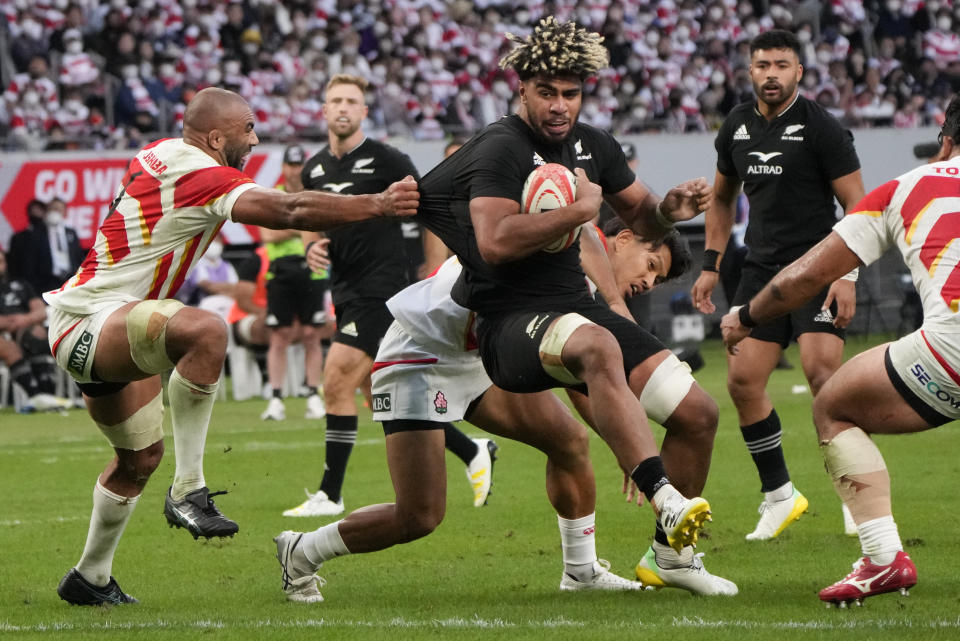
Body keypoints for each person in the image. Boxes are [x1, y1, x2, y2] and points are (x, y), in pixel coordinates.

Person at [42, 86, 419, 606]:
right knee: (207, 330)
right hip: (88, 321)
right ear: (216, 136)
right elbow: (288, 210)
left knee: (137, 461)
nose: (256, 137)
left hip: (108, 325)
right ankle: (189, 488)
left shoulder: (161, 153)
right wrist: (375, 204)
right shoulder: (200, 171)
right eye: (248, 128)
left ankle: (90, 578)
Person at [276, 222, 736, 602]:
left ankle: (580, 571)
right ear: (623, 237)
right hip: (419, 356)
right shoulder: (561, 246)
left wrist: (631, 451)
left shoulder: (582, 279)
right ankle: (302, 550)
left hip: (481, 355)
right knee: (419, 516)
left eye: (657, 281)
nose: (647, 284)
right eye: (651, 266)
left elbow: (575, 373)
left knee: (569, 442)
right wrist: (633, 454)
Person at [418, 17, 721, 581]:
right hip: (509, 322)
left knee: (699, 414)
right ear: (522, 89)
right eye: (547, 92)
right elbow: (494, 240)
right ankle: (663, 494)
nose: (560, 105)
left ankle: (671, 558)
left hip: (577, 314)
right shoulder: (500, 147)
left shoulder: (594, 145)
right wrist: (581, 211)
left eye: (571, 93)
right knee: (596, 352)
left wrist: (670, 211)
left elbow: (640, 215)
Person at [720, 94, 960, 607]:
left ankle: (882, 558)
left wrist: (745, 315)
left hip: (950, 352)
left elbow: (804, 277)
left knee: (834, 404)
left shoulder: (908, 186)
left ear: (946, 142)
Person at [284, 75, 494, 516]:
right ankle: (472, 449)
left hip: (382, 290)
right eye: (335, 100)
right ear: (323, 111)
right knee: (376, 391)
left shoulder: (388, 159)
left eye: (352, 101)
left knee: (336, 379)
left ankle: (330, 493)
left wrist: (436, 270)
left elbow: (429, 209)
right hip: (344, 289)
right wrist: (311, 245)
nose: (343, 107)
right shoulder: (315, 168)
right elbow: (308, 217)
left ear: (363, 112)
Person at [690, 29, 866, 541]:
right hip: (761, 273)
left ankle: (857, 494)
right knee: (742, 382)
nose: (772, 73)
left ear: (799, 73)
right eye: (763, 64)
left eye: (782, 65)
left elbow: (857, 206)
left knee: (822, 375)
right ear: (749, 71)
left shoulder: (822, 128)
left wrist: (848, 274)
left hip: (817, 268)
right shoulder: (737, 128)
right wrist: (709, 264)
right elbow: (722, 199)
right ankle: (779, 497)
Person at [259, 144, 330, 422]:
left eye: (299, 165)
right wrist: (303, 226)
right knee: (279, 335)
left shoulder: (316, 193)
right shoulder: (273, 195)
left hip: (313, 268)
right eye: (291, 164)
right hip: (282, 270)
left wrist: (286, 225)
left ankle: (313, 394)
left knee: (313, 334)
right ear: (284, 167)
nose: (295, 170)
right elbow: (267, 235)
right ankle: (276, 398)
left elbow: (323, 227)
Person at [0, 248, 70, 412]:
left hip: (24, 330)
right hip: (4, 336)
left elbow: (40, 311)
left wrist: (24, 320)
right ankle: (35, 394)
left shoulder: (20, 285)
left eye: (1, 261)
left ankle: (47, 394)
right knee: (7, 346)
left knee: (37, 333)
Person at [7, 197, 85, 296]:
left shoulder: (71, 233)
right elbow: (30, 262)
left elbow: (77, 257)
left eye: (58, 209)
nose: (54, 212)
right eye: (52, 209)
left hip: (69, 284)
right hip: (45, 285)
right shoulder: (35, 234)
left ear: (65, 212)